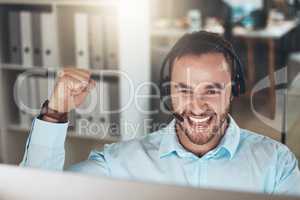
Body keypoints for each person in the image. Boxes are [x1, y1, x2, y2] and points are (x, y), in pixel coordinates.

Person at [20, 31, 300, 196]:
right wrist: (54, 114)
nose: (197, 105)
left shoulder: (275, 165)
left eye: (212, 90)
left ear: (234, 89)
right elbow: (35, 194)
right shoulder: (121, 162)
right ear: (168, 92)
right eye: (184, 90)